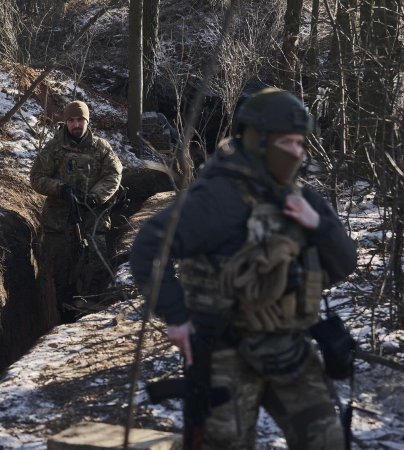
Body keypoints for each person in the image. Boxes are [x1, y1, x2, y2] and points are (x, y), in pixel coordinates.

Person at [130, 88, 357, 449]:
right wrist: (176, 316)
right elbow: (146, 247)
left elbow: (345, 262)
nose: (298, 153)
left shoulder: (301, 197)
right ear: (258, 141)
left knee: (328, 440)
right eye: (288, 143)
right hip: (224, 353)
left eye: (301, 143)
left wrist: (319, 225)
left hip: (289, 349)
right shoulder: (216, 198)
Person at [30, 100, 123, 323]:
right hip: (60, 226)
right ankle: (66, 321)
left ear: (87, 121)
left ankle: (90, 320)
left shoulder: (101, 148)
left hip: (93, 224)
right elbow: (37, 178)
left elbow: (114, 175)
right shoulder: (53, 148)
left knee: (95, 275)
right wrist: (61, 189)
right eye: (71, 120)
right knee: (62, 279)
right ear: (65, 122)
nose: (76, 124)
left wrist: (94, 196)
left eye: (80, 119)